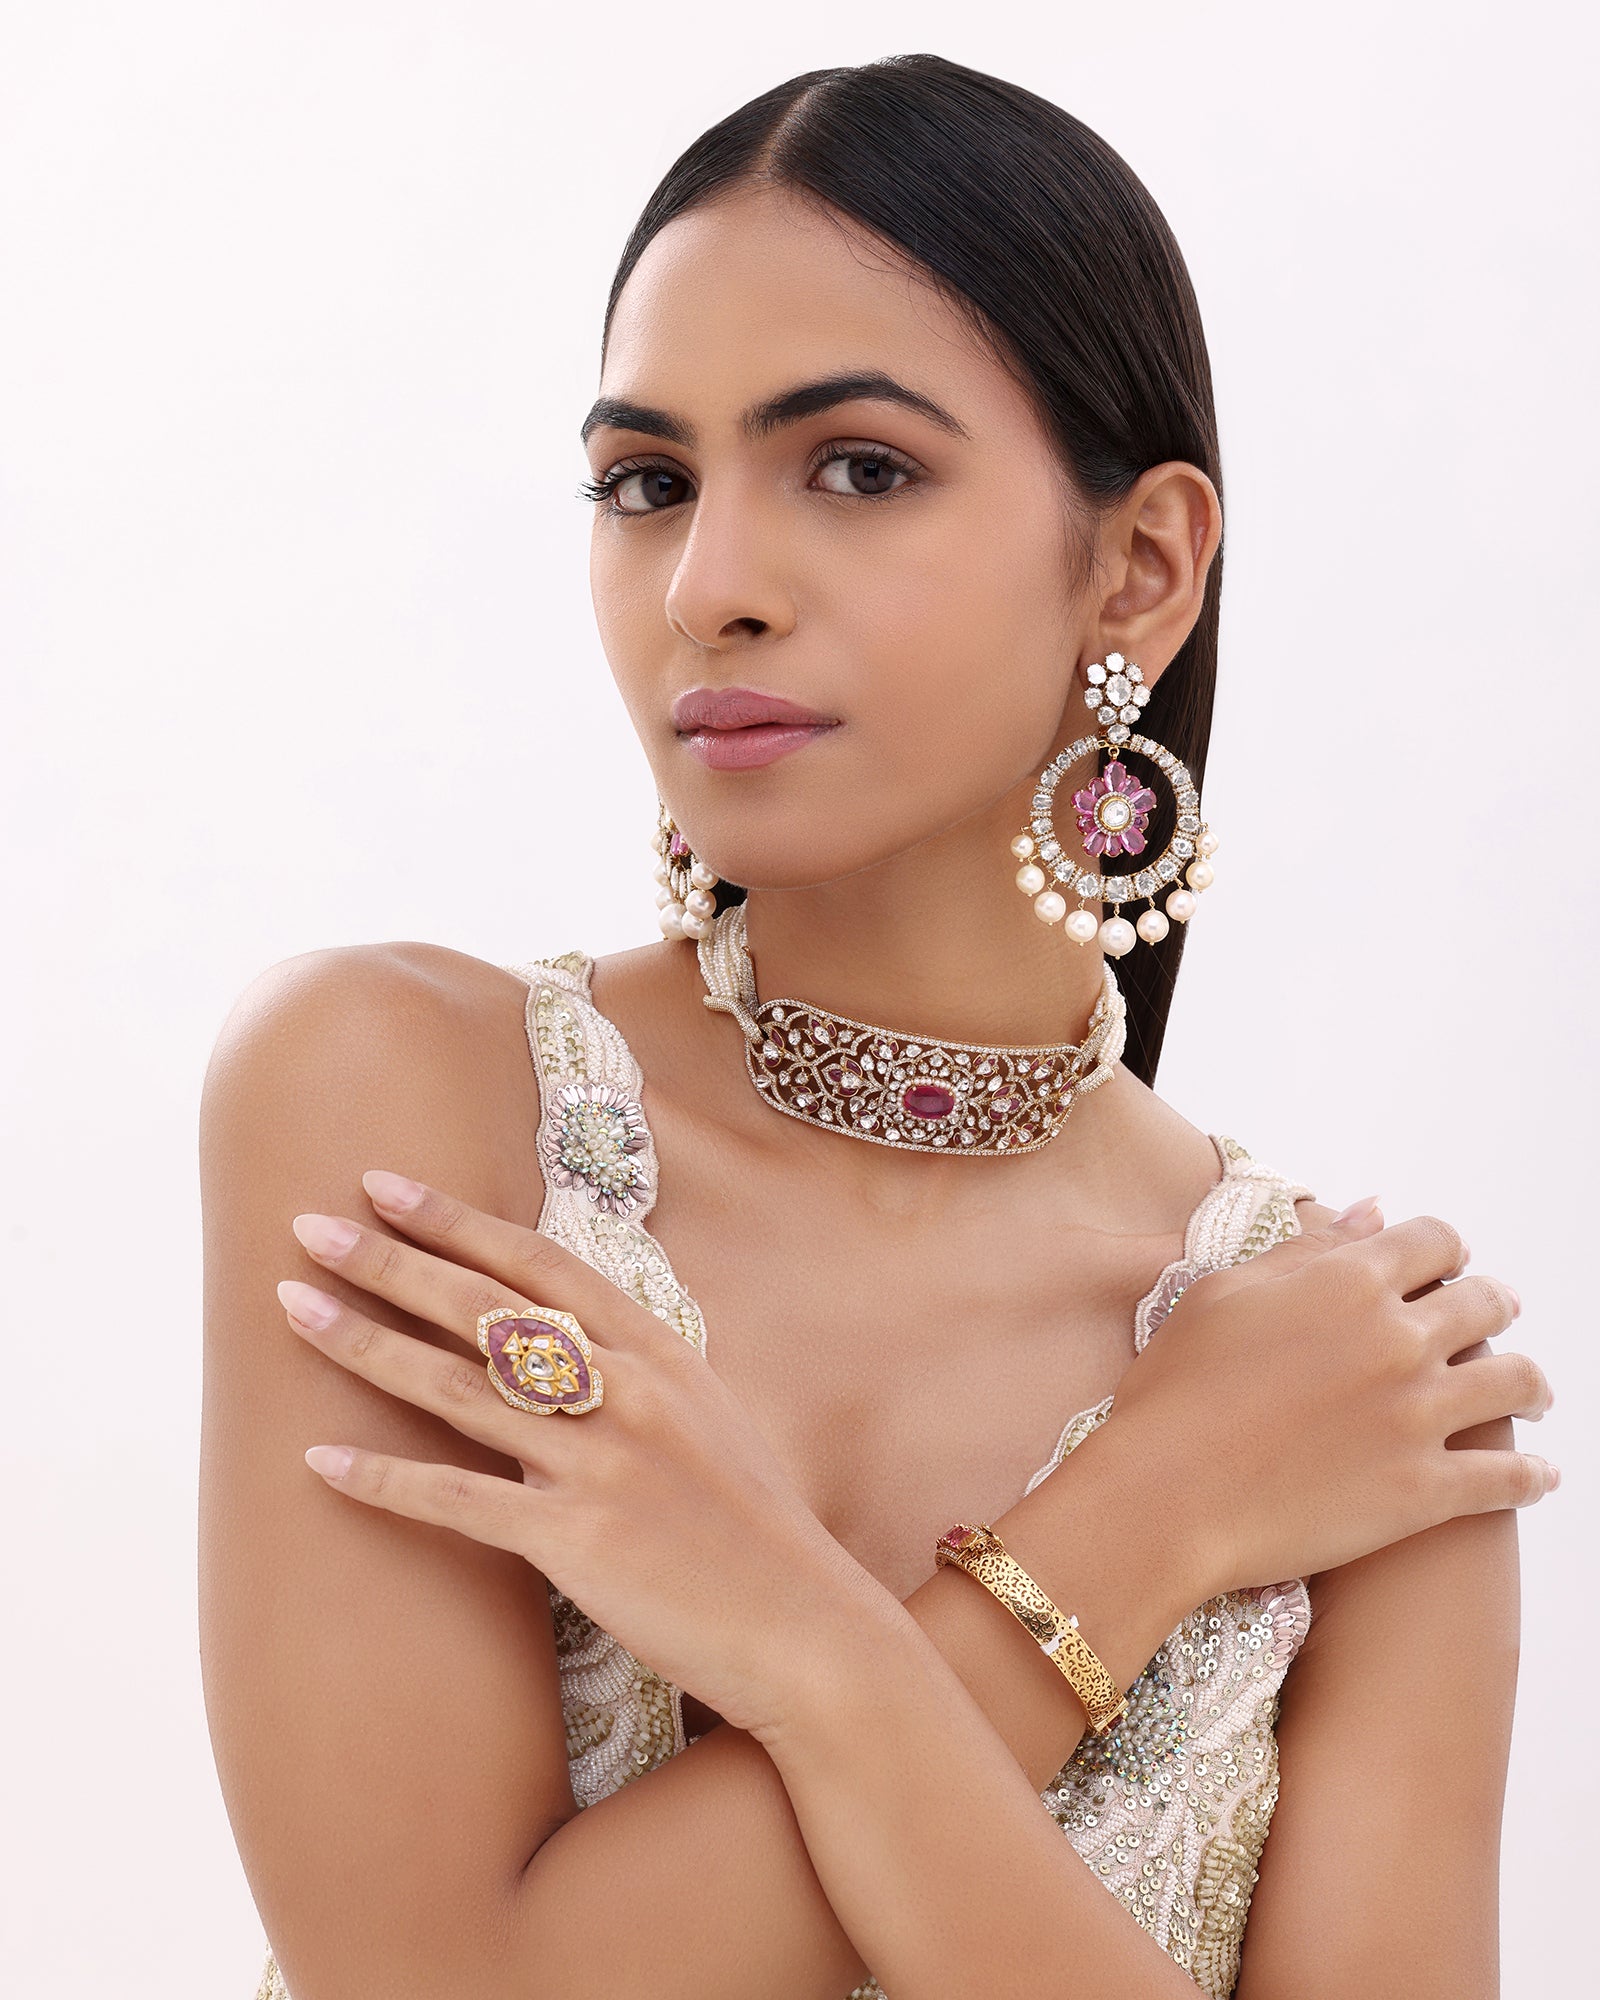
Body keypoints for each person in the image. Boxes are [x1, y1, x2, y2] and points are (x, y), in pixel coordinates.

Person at [199, 54, 1555, 2000]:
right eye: (647, 483)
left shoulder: (1354, 1377)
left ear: (1138, 567)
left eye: (856, 468)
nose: (708, 588)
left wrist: (815, 1649)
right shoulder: (405, 1102)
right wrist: (1142, 1511)